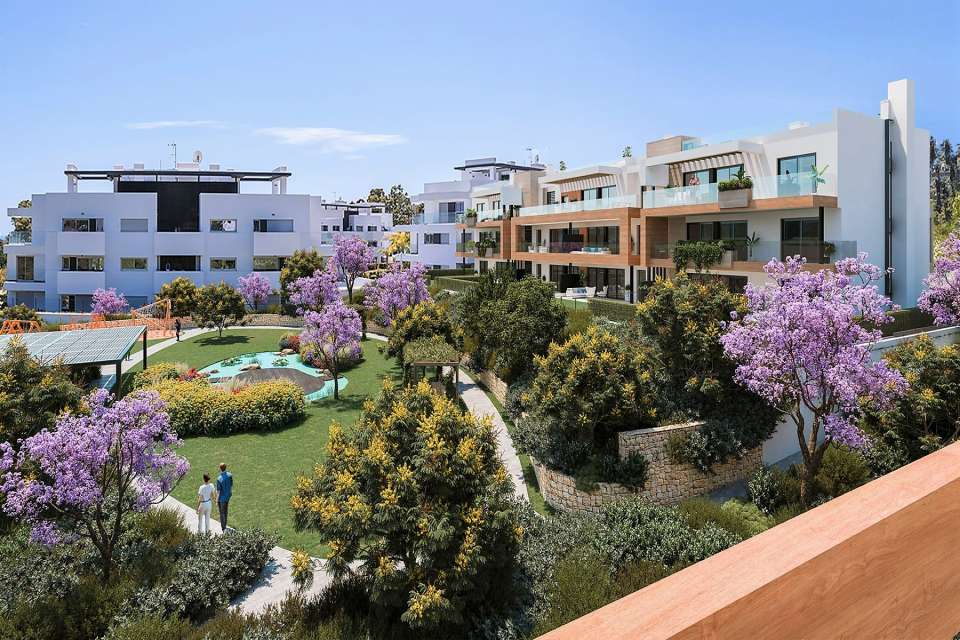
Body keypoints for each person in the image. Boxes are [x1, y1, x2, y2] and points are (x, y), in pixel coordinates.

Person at [216, 462, 233, 533]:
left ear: (220, 469)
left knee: (222, 513)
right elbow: (231, 485)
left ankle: (223, 528)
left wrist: (216, 500)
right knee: (226, 511)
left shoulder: (219, 479)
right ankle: (225, 525)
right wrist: (230, 493)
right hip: (227, 496)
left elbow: (218, 491)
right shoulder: (230, 475)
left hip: (222, 499)